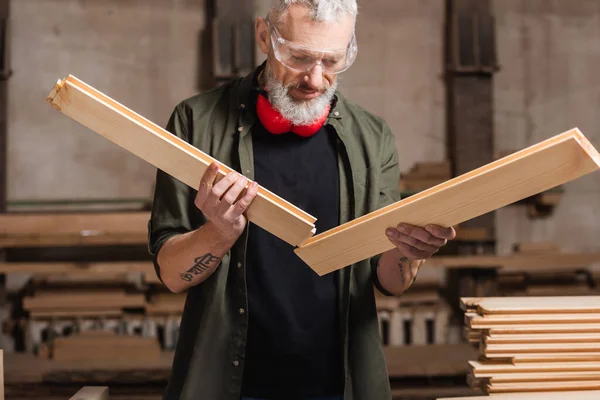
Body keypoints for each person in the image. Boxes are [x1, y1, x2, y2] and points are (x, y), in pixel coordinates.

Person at [148, 1, 456, 399]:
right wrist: (218, 233)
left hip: (339, 384)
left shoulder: (373, 137)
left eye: (332, 61)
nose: (315, 78)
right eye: (298, 57)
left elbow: (391, 282)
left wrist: (409, 251)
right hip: (230, 384)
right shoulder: (196, 122)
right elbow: (172, 275)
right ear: (264, 36)